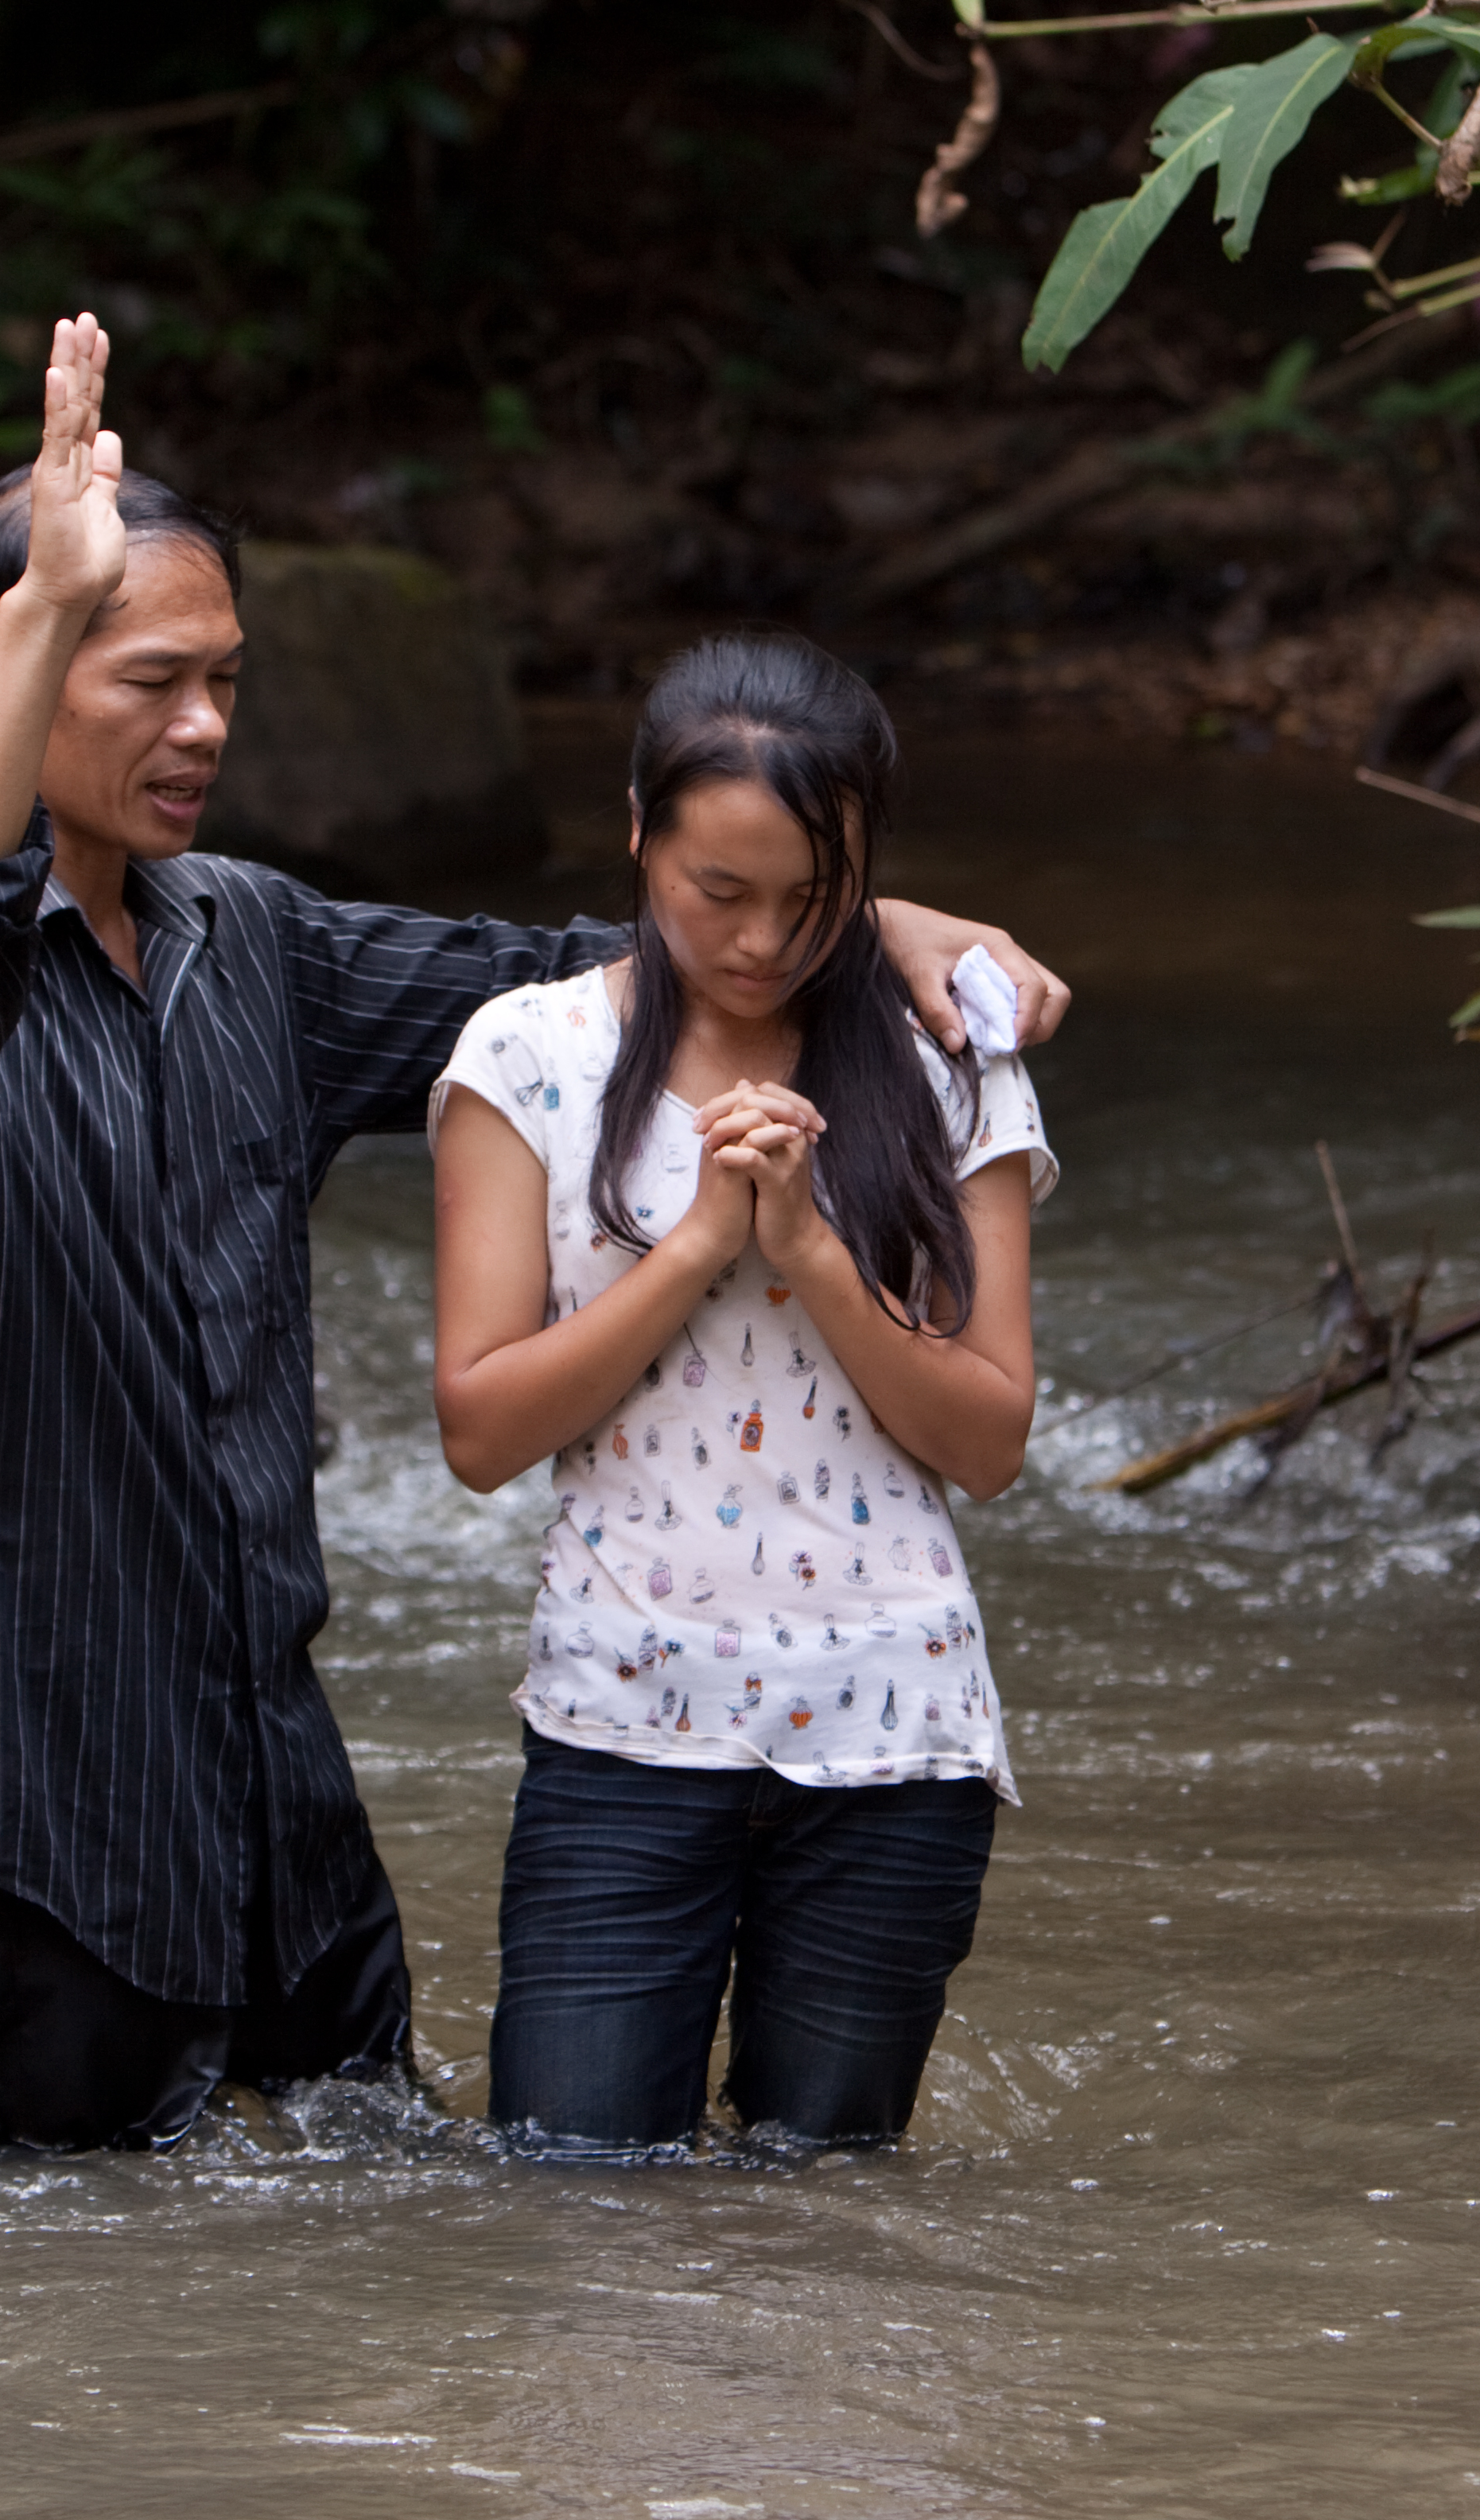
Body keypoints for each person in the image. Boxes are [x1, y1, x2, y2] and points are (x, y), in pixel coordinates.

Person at [0, 315, 1071, 2152]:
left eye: (225, 679)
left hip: (277, 1784)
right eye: (150, 679)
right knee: (70, 2274)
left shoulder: (255, 944)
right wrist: (52, 596)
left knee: (384, 2224)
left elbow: (611, 973)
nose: (205, 726)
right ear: (17, 667)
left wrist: (880, 921)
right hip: (50, 1802)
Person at [428, 630, 1053, 2156]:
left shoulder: (948, 1058)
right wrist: (704, 1240)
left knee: (822, 2218)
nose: (765, 941)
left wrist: (814, 1255)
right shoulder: (531, 1054)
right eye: (720, 892)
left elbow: (989, 1442)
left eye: (813, 898)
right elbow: (482, 1431)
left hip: (893, 1734)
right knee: (574, 2189)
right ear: (640, 835)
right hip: (620, 1727)